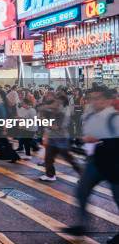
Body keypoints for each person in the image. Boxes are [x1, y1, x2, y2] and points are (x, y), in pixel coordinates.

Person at [63, 86, 119, 239]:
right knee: (82, 191)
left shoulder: (114, 118)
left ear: (108, 100)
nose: (94, 102)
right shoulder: (90, 116)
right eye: (92, 98)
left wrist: (100, 140)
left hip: (114, 164)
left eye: (98, 98)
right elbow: (86, 137)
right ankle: (82, 225)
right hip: (95, 162)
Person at [39, 95, 81, 182]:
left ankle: (84, 176)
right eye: (55, 102)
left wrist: (45, 122)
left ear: (62, 104)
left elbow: (56, 127)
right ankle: (50, 175)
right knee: (48, 158)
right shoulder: (55, 111)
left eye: (58, 102)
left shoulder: (63, 113)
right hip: (53, 138)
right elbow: (41, 109)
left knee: (70, 159)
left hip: (61, 139)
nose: (55, 104)